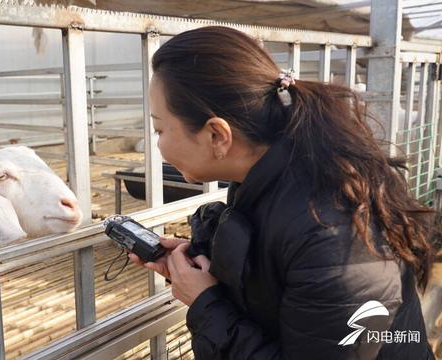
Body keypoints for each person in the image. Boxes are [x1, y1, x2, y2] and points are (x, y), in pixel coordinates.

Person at [128, 26, 437, 359]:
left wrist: (207, 305)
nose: (157, 144)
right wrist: (206, 266)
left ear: (218, 135)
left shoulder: (335, 238)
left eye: (160, 128)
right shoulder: (270, 180)